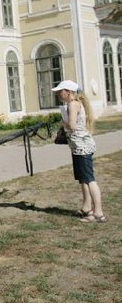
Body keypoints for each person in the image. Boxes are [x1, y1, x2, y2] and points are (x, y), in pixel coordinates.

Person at [52, 80, 105, 223]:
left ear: (68, 92)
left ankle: (98, 213)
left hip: (82, 147)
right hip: (79, 146)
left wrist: (63, 122)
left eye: (60, 91)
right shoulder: (75, 103)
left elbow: (72, 125)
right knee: (83, 179)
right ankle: (87, 207)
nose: (58, 94)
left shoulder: (73, 104)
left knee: (89, 179)